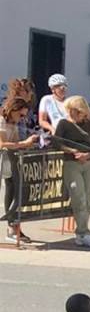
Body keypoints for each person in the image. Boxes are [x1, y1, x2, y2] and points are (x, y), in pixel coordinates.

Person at [53, 95, 90, 247]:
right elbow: (56, 143)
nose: (71, 114)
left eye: (75, 111)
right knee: (78, 197)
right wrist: (73, 151)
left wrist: (88, 155)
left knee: (88, 199)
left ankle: (82, 233)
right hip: (72, 164)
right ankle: (83, 232)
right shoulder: (63, 124)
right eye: (70, 110)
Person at [2, 92, 39, 244]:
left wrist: (30, 143)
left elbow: (16, 142)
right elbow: (2, 144)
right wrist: (23, 144)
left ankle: (14, 226)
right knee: (11, 191)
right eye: (21, 115)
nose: (22, 118)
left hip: (12, 160)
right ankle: (12, 227)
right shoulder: (2, 121)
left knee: (18, 191)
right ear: (13, 110)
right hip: (4, 160)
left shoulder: (14, 123)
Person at [38, 73, 70, 138]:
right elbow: (42, 121)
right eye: (59, 86)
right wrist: (52, 129)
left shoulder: (70, 101)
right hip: (55, 134)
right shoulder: (47, 100)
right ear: (52, 89)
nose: (62, 88)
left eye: (64, 85)